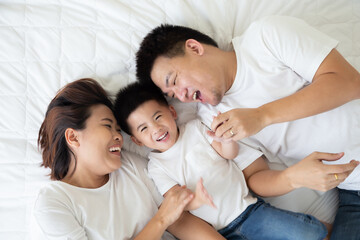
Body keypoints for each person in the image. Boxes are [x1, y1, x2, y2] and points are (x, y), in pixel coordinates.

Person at [135, 15, 360, 239]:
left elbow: (349, 82)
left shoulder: (266, 37)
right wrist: (294, 178)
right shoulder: (211, 118)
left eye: (173, 81)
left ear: (194, 48)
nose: (182, 97)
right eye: (172, 95)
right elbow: (256, 175)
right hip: (352, 191)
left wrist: (262, 116)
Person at [114, 82, 329, 239]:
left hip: (249, 211)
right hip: (221, 232)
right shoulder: (157, 166)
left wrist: (224, 140)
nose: (156, 129)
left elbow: (230, 154)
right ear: (137, 141)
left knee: (308, 234)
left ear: (172, 112)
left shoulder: (197, 129)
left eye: (158, 117)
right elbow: (177, 203)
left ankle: (321, 228)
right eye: (144, 129)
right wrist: (197, 199)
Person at [34, 78, 226, 240]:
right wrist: (161, 219)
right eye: (107, 126)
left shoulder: (131, 165)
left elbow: (179, 220)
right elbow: (168, 216)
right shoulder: (54, 201)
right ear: (73, 137)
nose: (118, 136)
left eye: (118, 129)